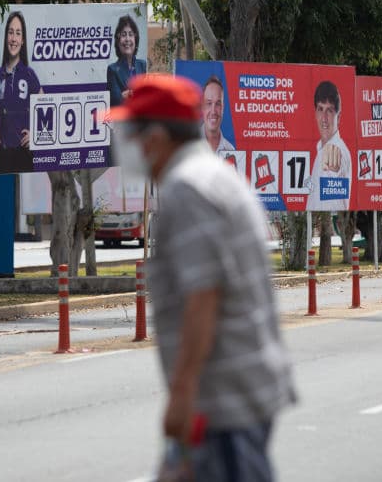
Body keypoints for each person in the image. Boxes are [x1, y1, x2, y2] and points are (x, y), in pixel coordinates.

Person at [104, 74, 295, 481]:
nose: (127, 146)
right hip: (234, 391)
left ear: (155, 138)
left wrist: (183, 395)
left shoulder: (187, 190)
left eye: (131, 134)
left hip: (222, 402)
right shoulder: (211, 175)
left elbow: (202, 297)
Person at [0, 11, 41, 170]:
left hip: (23, 154)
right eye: (10, 32)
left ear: (22, 41)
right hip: (2, 153)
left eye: (18, 33)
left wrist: (36, 133)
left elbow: (46, 107)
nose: (13, 38)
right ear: (6, 36)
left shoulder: (29, 74)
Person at [307, 80, 351, 210]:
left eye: (330, 110)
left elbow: (337, 166)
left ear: (339, 117)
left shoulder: (337, 150)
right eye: (321, 109)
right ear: (315, 113)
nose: (324, 118)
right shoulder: (321, 148)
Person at [106, 15, 147, 106]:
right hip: (123, 119)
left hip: (141, 118)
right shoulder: (112, 70)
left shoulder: (143, 65)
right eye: (124, 35)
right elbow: (116, 101)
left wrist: (127, 94)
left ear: (135, 39)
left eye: (131, 34)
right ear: (118, 41)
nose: (127, 39)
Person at [200, 75, 234, 153]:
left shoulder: (230, 150)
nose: (213, 111)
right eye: (209, 103)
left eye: (218, 104)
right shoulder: (189, 146)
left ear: (223, 107)